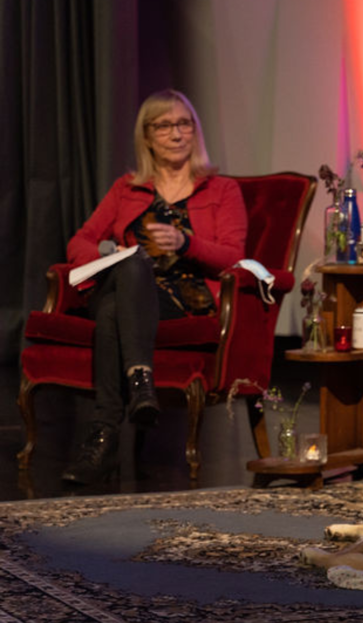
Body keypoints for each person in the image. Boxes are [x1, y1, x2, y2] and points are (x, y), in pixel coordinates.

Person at [62, 89, 247, 484]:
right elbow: (78, 241)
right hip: (123, 283)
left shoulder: (222, 190)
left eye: (184, 124)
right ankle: (140, 382)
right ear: (146, 136)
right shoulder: (126, 189)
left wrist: (186, 243)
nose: (177, 134)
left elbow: (234, 256)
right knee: (133, 265)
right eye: (164, 126)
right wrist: (105, 251)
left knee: (113, 311)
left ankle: (102, 435)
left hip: (182, 297)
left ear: (195, 131)